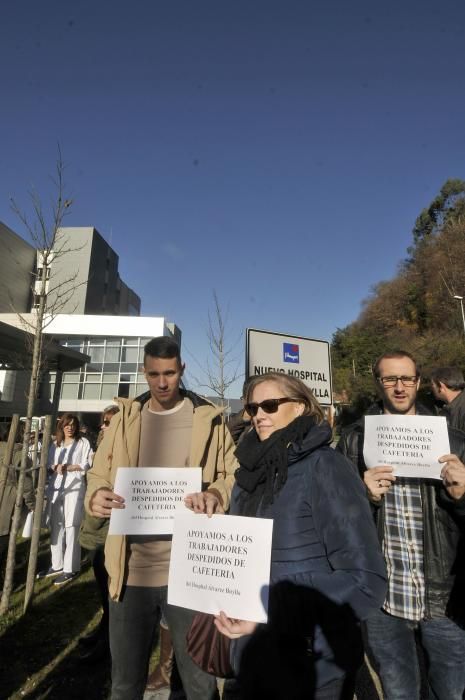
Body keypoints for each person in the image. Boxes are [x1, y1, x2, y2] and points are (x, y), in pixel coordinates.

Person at [215, 372, 387, 700]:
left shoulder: (326, 467)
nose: (259, 415)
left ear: (300, 407)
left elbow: (366, 581)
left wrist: (269, 609)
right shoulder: (247, 473)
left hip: (311, 665)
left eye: (270, 405)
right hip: (250, 657)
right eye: (252, 408)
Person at [85, 336, 238, 700]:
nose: (162, 382)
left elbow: (232, 473)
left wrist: (217, 494)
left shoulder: (209, 419)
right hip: (129, 571)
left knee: (200, 684)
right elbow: (98, 475)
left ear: (181, 369)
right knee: (124, 683)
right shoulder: (125, 419)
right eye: (154, 374)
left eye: (169, 373)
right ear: (144, 372)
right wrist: (96, 497)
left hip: (189, 572)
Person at [337, 350, 465, 700]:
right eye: (390, 379)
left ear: (419, 382)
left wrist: (462, 494)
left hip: (443, 595)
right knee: (398, 690)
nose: (399, 387)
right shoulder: (354, 440)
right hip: (384, 597)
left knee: (451, 692)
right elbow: (336, 520)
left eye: (407, 378)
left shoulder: (453, 441)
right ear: (378, 383)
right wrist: (363, 497)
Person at [79, 405, 119, 663]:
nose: (102, 426)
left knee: (112, 594)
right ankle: (103, 632)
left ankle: (108, 645)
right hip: (97, 533)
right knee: (104, 594)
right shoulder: (101, 450)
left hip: (111, 535)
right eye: (103, 422)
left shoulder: (119, 454)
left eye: (108, 423)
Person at [38, 413, 91, 585]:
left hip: (74, 488)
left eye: (73, 424)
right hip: (56, 488)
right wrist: (54, 466)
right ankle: (57, 564)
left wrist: (68, 467)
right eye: (66, 424)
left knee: (71, 526)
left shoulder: (83, 443)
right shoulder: (56, 444)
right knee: (56, 526)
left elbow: (86, 464)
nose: (70, 427)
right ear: (61, 426)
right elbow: (49, 463)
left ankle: (71, 568)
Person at [0, 423, 35, 585]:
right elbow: (26, 486)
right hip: (6, 505)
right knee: (3, 546)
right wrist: (32, 504)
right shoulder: (19, 455)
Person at [430, 365, 465, 431]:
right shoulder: (448, 410)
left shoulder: (462, 410)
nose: (431, 388)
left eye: (432, 385)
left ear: (441, 386)